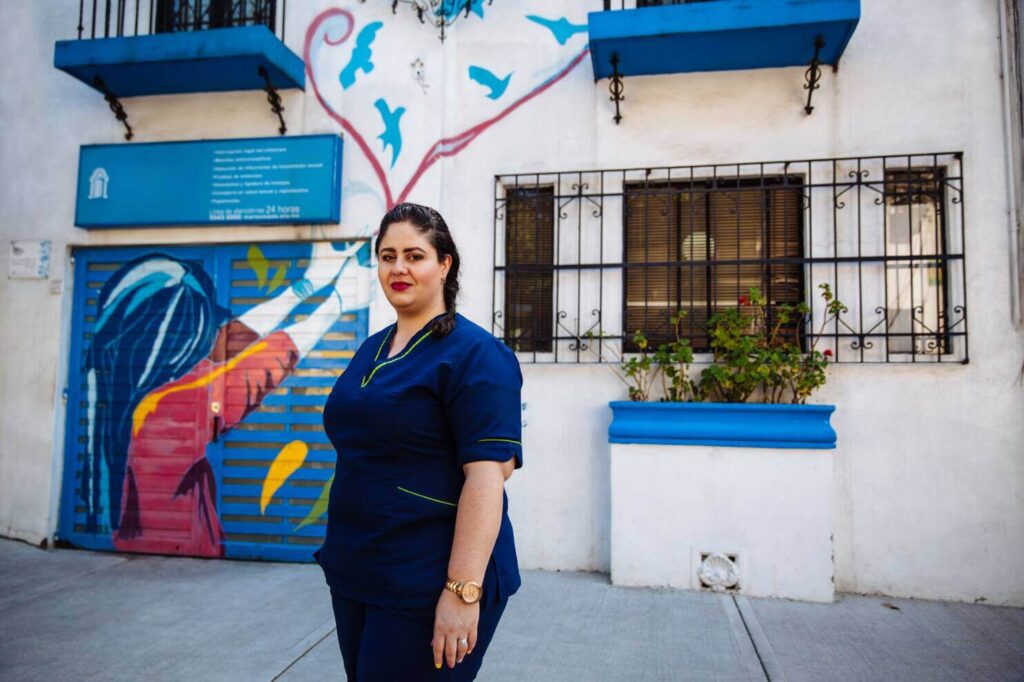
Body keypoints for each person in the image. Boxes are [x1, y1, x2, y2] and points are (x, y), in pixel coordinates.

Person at [316, 202, 524, 681]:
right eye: (388, 257)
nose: (399, 268)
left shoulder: (477, 356)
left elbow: (488, 477)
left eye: (414, 255)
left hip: (427, 578)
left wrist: (461, 591)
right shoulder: (372, 347)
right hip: (359, 568)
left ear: (444, 263)